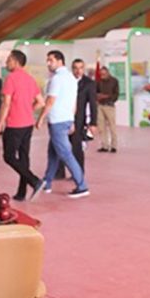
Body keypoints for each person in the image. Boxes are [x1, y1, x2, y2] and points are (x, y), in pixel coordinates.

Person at [0, 50, 45, 201]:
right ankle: (21, 193)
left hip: (14, 124)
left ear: (15, 62)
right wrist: (28, 110)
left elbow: (6, 103)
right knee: (23, 158)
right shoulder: (30, 79)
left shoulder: (11, 79)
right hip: (27, 124)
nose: (6, 63)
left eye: (8, 60)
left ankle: (35, 181)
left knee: (9, 157)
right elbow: (40, 102)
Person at [37, 50, 90, 198]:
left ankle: (82, 185)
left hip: (57, 121)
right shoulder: (71, 78)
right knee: (53, 153)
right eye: (47, 60)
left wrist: (41, 118)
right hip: (65, 120)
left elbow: (50, 101)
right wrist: (71, 121)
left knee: (66, 154)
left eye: (51, 60)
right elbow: (74, 102)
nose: (48, 63)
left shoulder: (57, 79)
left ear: (60, 61)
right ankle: (46, 182)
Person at [69, 58, 98, 170]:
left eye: (80, 68)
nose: (78, 71)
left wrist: (93, 123)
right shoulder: (68, 80)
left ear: (84, 68)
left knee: (77, 147)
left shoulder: (89, 84)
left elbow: (92, 104)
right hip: (66, 117)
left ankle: (78, 171)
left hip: (79, 120)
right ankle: (59, 172)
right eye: (75, 68)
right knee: (61, 146)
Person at [96, 67, 119, 153]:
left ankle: (114, 146)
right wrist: (98, 96)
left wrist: (107, 97)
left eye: (104, 74)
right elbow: (95, 91)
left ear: (108, 73)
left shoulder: (114, 81)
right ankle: (104, 145)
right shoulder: (98, 81)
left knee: (112, 127)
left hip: (109, 106)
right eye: (101, 74)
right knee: (101, 127)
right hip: (100, 106)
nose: (102, 76)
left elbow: (116, 94)